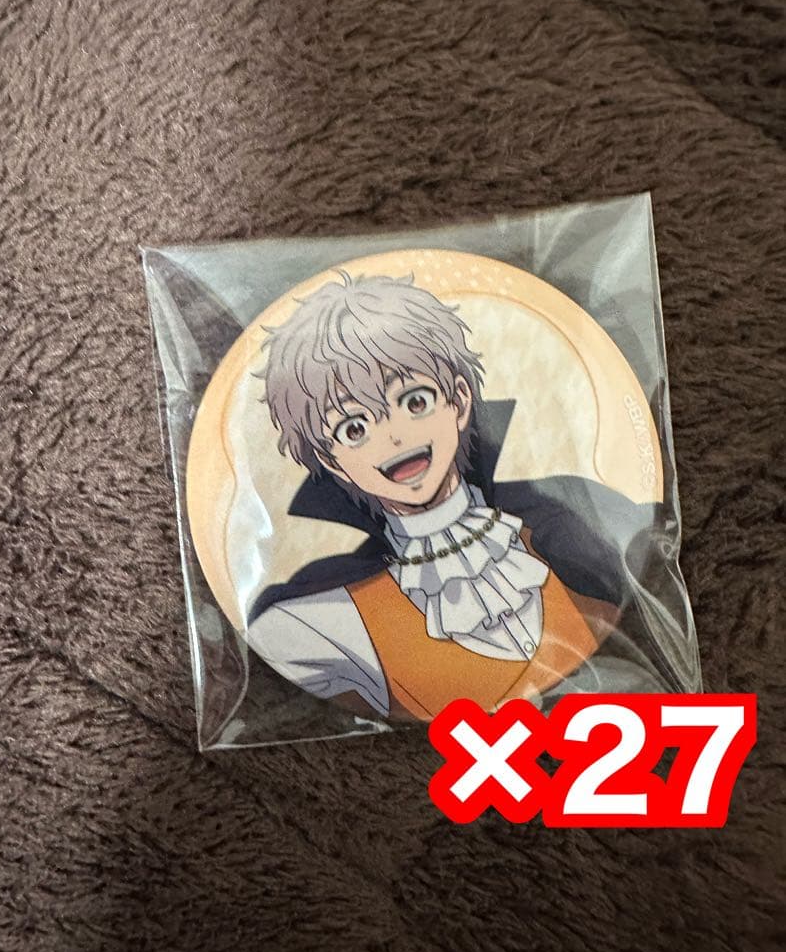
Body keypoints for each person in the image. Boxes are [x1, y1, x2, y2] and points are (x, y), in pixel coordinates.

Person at [248, 272, 652, 721]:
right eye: (355, 428)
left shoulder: (566, 527)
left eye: (414, 402)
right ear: (332, 461)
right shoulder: (332, 615)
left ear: (458, 401)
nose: (395, 437)